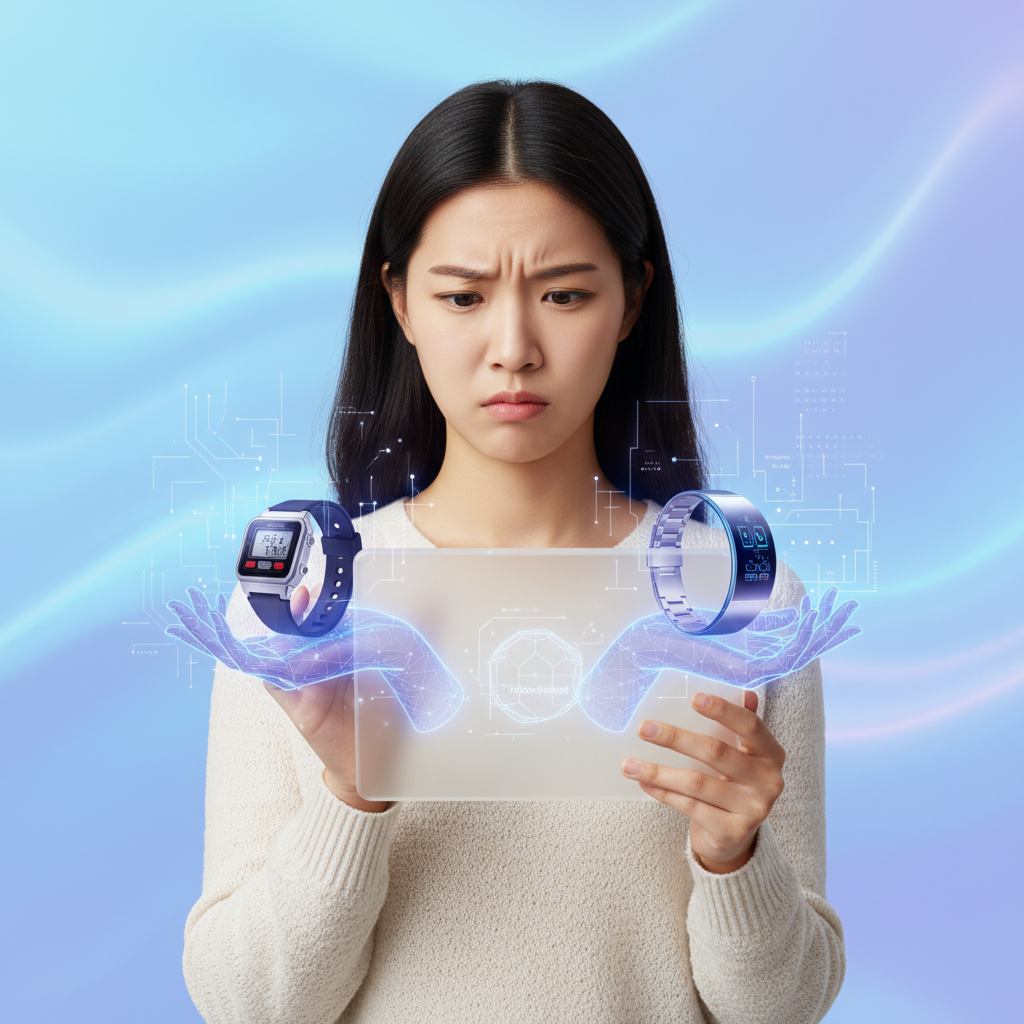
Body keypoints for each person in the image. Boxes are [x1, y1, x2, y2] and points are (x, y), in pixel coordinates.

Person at [178, 80, 846, 1023]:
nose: (514, 348)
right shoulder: (297, 605)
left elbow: (783, 1008)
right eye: (462, 295)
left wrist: (733, 856)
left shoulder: (744, 604)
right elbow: (247, 1004)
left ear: (632, 300)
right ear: (400, 302)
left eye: (565, 293)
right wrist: (351, 792)